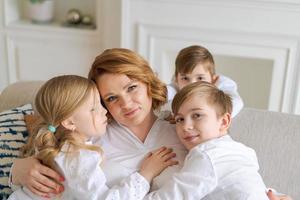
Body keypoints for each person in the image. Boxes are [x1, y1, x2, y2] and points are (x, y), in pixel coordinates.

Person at [9, 48, 291, 200]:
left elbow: (226, 167)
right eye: (111, 98)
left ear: (147, 83)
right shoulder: (92, 136)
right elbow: (54, 142)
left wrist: (271, 195)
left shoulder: (183, 128)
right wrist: (17, 170)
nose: (126, 104)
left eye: (131, 88)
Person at [8, 75, 177, 200]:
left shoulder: (61, 146)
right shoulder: (78, 157)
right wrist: (145, 174)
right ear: (68, 122)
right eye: (94, 108)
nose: (104, 111)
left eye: (101, 104)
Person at [146, 82, 268, 199]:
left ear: (224, 121)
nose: (186, 126)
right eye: (180, 119)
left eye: (197, 115)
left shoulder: (206, 155)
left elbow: (173, 196)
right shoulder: (243, 151)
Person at [165, 45, 244, 118]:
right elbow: (167, 92)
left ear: (213, 80)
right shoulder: (177, 85)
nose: (192, 84)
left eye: (200, 78)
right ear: (176, 79)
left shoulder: (222, 85)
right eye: (185, 78)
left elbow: (236, 102)